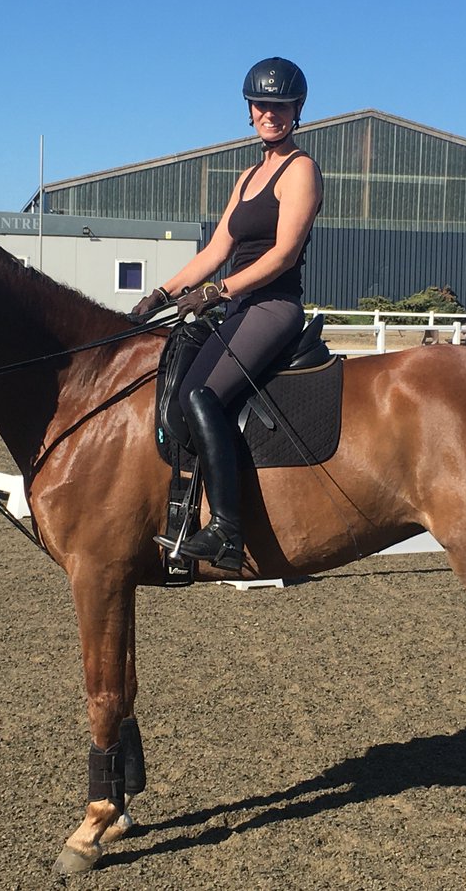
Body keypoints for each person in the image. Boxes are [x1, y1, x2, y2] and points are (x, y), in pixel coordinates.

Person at [131, 56, 323, 572]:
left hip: (273, 305)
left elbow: (282, 254)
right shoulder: (246, 176)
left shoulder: (300, 169)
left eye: (280, 105)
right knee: (180, 390)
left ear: (296, 109)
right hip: (237, 304)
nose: (270, 113)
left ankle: (226, 532)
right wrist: (163, 294)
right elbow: (216, 249)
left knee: (203, 394)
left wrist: (217, 292)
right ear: (250, 110)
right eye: (262, 104)